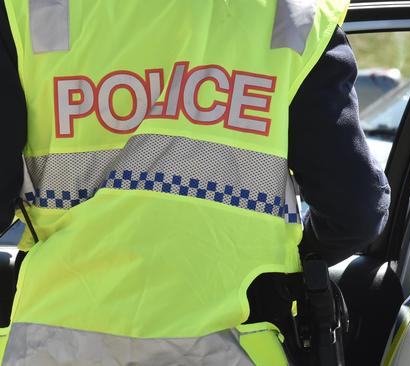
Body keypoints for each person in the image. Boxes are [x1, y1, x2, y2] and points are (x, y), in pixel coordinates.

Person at [0, 0, 390, 365]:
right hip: (237, 342)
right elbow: (355, 210)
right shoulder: (291, 13)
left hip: (59, 345)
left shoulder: (31, 10)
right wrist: (287, 266)